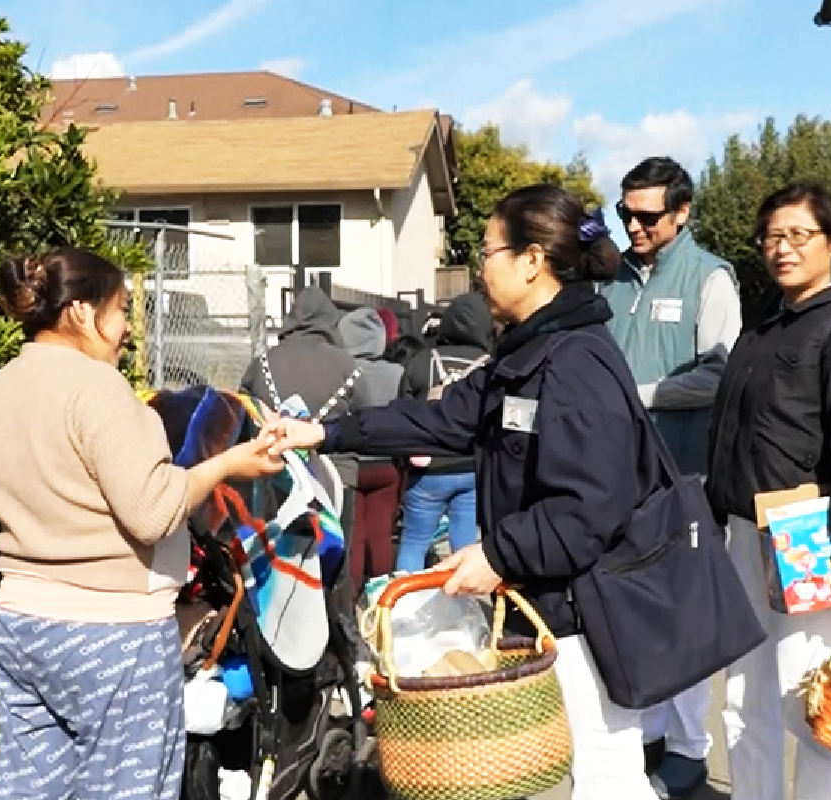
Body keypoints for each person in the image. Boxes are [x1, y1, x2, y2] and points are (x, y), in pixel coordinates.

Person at [267, 184, 669, 800]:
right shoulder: (530, 351)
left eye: (487, 252)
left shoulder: (576, 362)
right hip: (553, 602)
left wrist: (497, 555)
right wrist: (322, 432)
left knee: (606, 777)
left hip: (593, 615)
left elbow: (591, 507)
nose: (478, 268)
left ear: (531, 261)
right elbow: (439, 419)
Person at [0, 248, 283, 800]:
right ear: (83, 313)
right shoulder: (98, 390)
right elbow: (151, 511)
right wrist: (227, 465)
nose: (126, 331)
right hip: (109, 632)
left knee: (32, 787)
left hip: (21, 620)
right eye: (120, 311)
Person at [706, 183, 831, 800]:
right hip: (742, 530)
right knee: (740, 695)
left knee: (809, 702)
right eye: (771, 237)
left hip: (807, 537)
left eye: (797, 236)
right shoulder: (764, 325)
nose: (781, 249)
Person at [598, 156, 741, 798]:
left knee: (684, 613)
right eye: (625, 212)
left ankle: (688, 744)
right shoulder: (615, 281)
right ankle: (649, 729)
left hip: (687, 475)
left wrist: (641, 395)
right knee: (633, 607)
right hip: (620, 475)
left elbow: (720, 373)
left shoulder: (709, 279)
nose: (633, 224)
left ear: (682, 213)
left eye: (647, 215)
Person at [241, 285, 362, 529]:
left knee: (279, 556)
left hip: (276, 471)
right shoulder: (348, 365)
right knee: (334, 555)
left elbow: (244, 408)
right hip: (336, 473)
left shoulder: (263, 362)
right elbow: (363, 417)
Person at [393, 291, 493, 573]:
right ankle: (462, 609)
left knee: (414, 542)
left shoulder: (422, 362)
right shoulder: (491, 364)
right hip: (471, 466)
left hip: (428, 468)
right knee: (464, 548)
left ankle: (405, 607)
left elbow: (402, 412)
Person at [338, 308, 405, 594]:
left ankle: (351, 600)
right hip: (386, 462)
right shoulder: (397, 373)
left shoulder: (341, 371)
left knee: (354, 535)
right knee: (380, 533)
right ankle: (382, 596)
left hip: (350, 462)